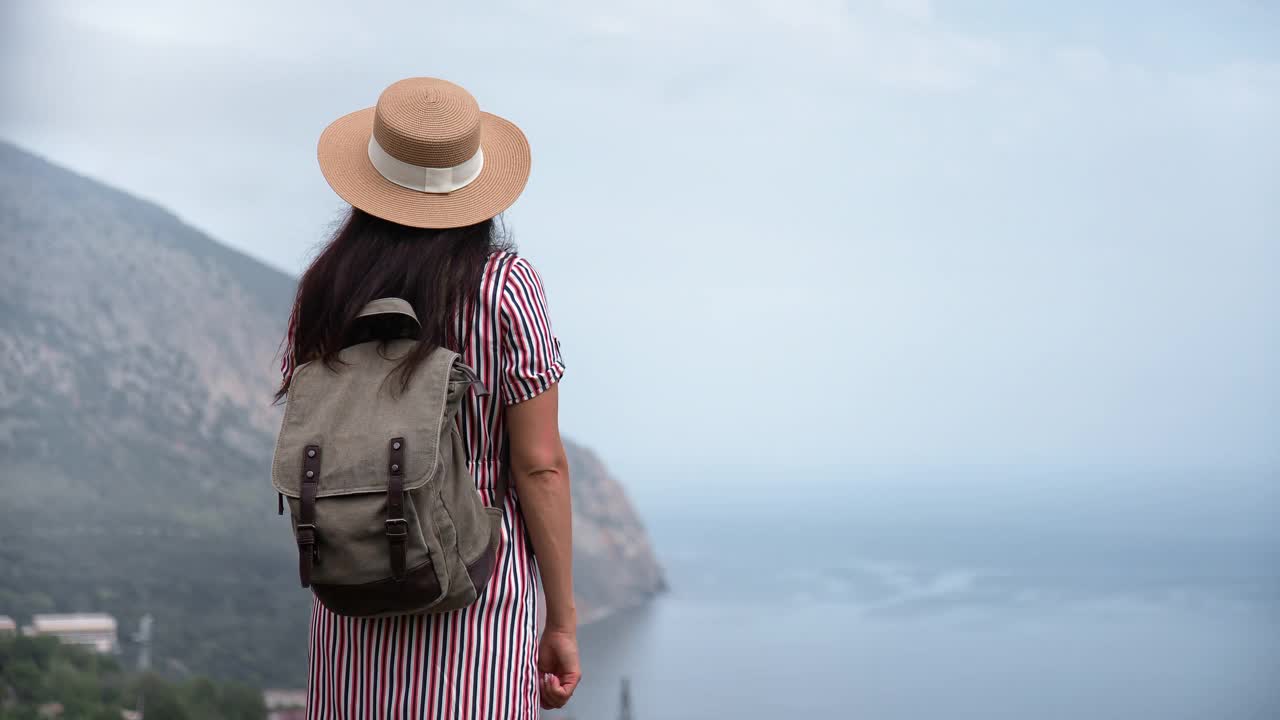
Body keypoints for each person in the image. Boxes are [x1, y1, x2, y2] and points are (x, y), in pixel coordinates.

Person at [277, 77, 580, 718]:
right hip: (478, 609)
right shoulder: (504, 286)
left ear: (368, 181)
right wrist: (563, 622)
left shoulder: (326, 290)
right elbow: (540, 466)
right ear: (476, 185)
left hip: (353, 607)